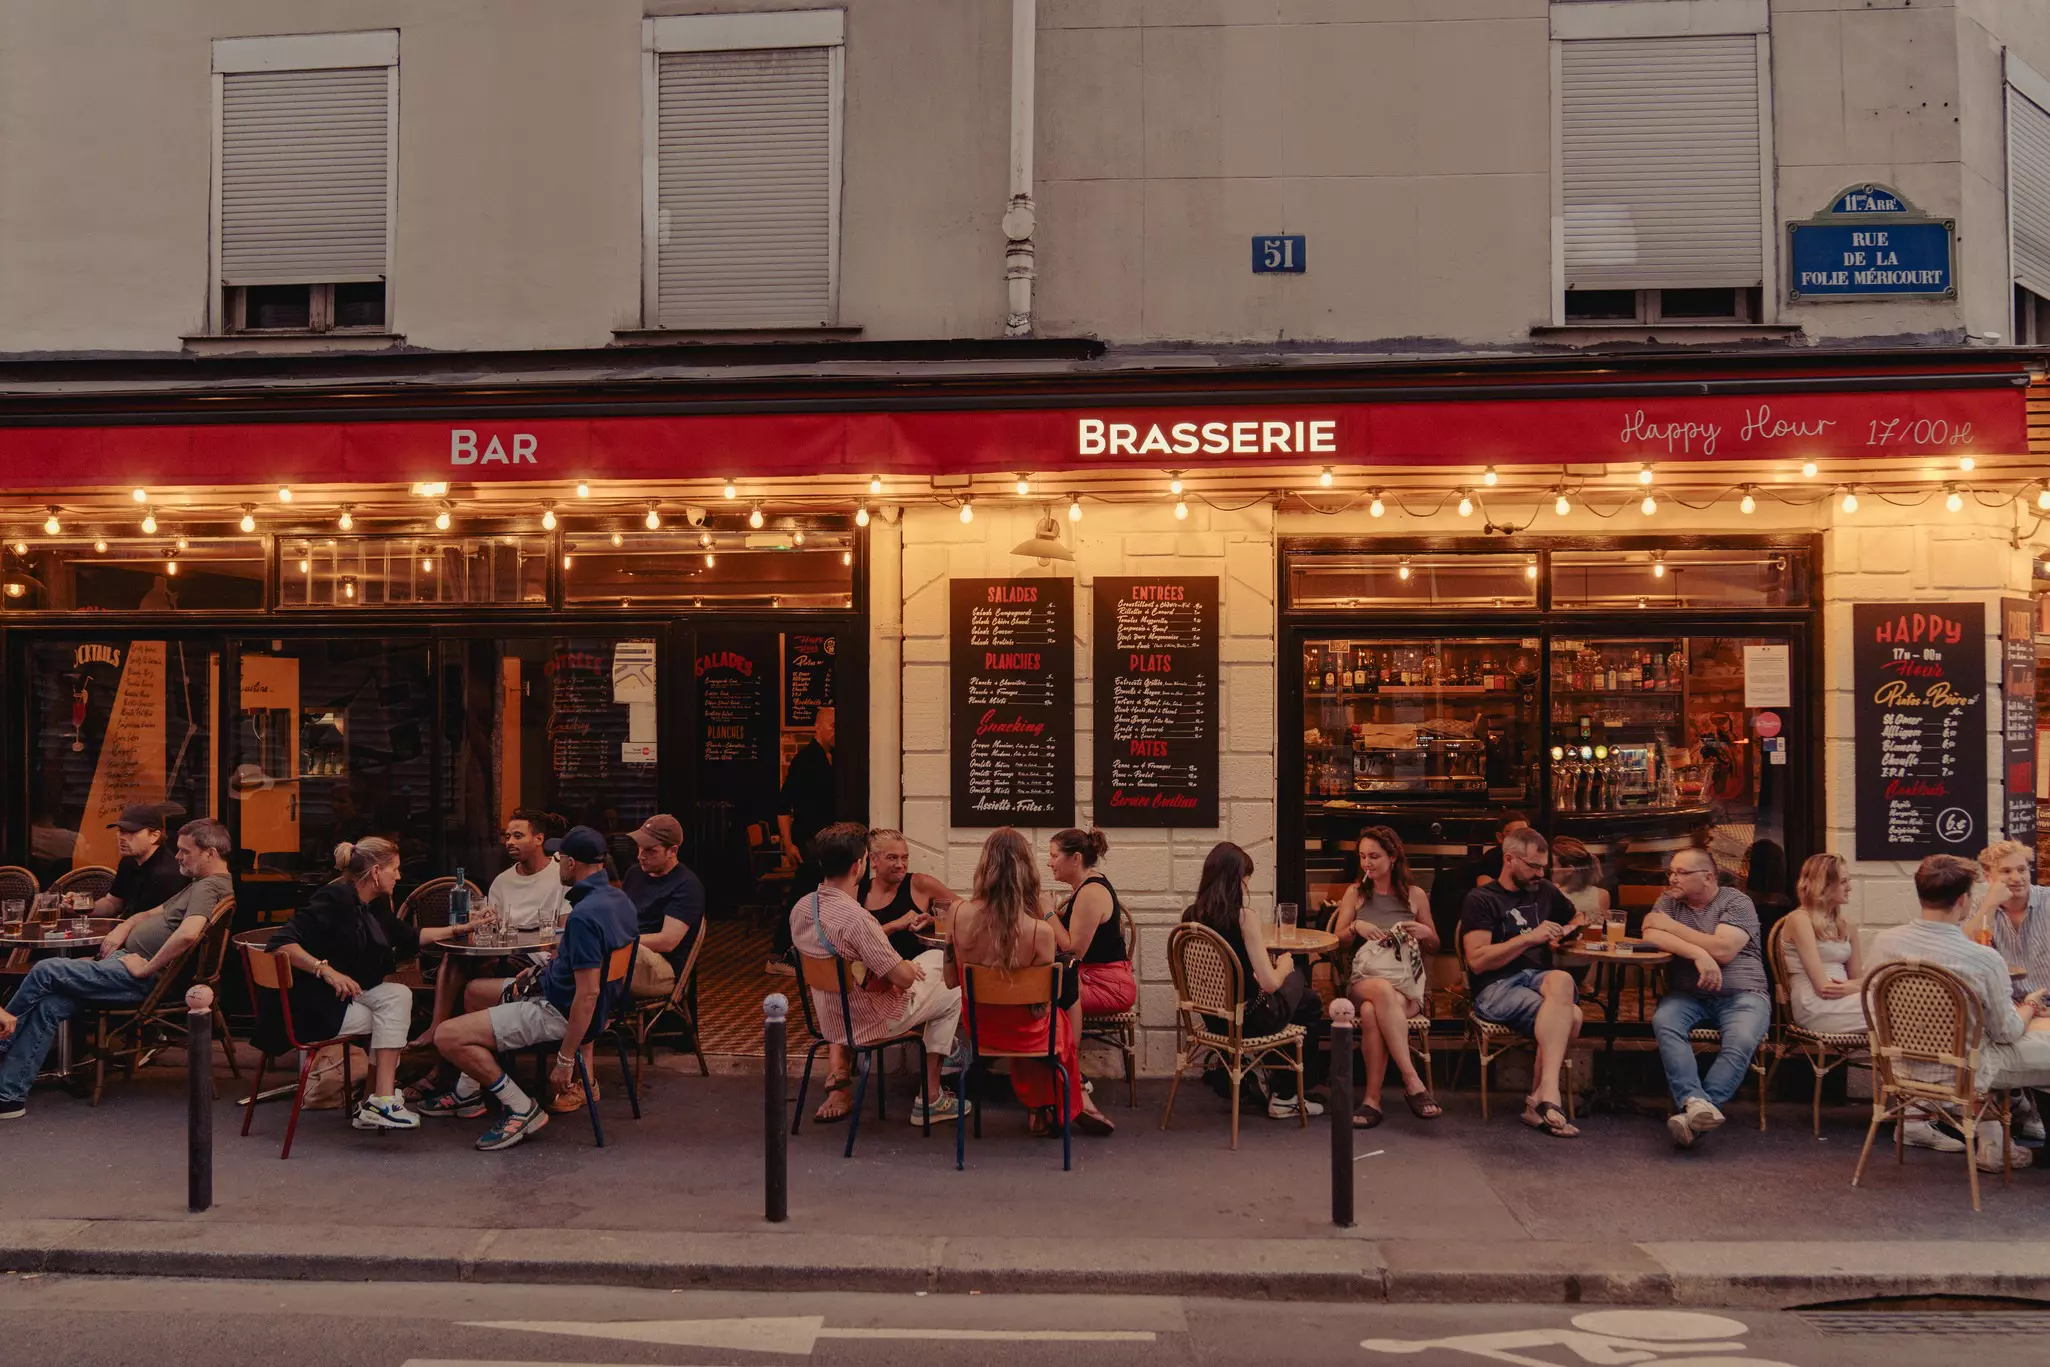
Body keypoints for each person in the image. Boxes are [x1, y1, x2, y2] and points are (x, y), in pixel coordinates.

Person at [422, 825, 641, 1151]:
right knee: (474, 991)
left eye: (560, 856)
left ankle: (521, 1108)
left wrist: (565, 1060)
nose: (557, 861)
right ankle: (469, 1093)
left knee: (447, 1036)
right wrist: (539, 973)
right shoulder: (618, 899)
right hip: (569, 996)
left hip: (557, 1010)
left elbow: (588, 994)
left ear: (572, 863)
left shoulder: (584, 915)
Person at [0, 818, 233, 1119]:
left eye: (185, 851)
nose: (177, 856)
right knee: (51, 1004)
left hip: (140, 978)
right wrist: (126, 929)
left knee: (46, 970)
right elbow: (147, 914)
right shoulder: (202, 884)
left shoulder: (209, 887)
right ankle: (10, 1096)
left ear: (209, 853)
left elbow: (189, 933)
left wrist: (147, 967)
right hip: (122, 965)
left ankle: (2, 1040)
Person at [259, 838, 472, 1132]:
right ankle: (378, 1101)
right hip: (309, 1008)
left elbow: (408, 936)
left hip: (342, 1000)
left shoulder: (376, 903)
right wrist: (326, 970)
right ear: (375, 872)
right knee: (391, 1016)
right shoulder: (333, 898)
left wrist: (458, 929)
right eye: (394, 869)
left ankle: (376, 1102)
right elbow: (279, 944)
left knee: (397, 996)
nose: (399, 876)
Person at [1871, 854, 2050, 1171]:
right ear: (1964, 900)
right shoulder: (1981, 958)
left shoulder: (1885, 943)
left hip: (1902, 1066)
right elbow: (2007, 1031)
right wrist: (2031, 1006)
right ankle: (2010, 1143)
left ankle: (1995, 1144)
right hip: (1968, 1070)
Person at [792, 820, 967, 1126]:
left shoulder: (802, 909)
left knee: (932, 963)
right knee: (953, 988)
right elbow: (904, 978)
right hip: (870, 1021)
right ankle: (931, 1096)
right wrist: (908, 968)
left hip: (831, 1018)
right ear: (860, 865)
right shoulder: (857, 919)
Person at [949, 828, 1106, 1137]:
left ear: (983, 866)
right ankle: (1069, 1102)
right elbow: (1039, 1007)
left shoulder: (956, 914)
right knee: (1054, 1024)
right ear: (1027, 873)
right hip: (1030, 1033)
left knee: (1037, 1024)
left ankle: (1043, 1108)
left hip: (981, 1029)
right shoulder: (1040, 933)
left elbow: (951, 980)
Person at [1181, 841, 1326, 1120]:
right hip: (1248, 1021)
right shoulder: (1244, 917)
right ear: (1237, 880)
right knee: (1304, 991)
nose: (1247, 884)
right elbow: (1271, 984)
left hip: (1213, 1019)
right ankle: (1287, 1094)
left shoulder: (1192, 916)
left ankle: (1274, 1080)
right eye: (1246, 878)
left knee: (1302, 1000)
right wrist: (1284, 966)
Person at [1640, 848, 1770, 1150]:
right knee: (1665, 1020)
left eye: (1681, 873)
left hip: (1743, 994)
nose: (1672, 878)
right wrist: (1698, 953)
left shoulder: (1736, 901)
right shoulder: (1670, 899)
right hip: (1689, 995)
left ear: (1708, 877)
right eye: (1670, 872)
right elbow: (1650, 931)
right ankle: (1695, 1102)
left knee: (1741, 1038)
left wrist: (1671, 927)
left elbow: (1724, 949)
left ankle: (1693, 1114)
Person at [1460, 826, 1582, 1138]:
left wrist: (1564, 935)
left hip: (1537, 979)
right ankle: (1539, 1102)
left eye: (1544, 866)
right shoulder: (1482, 899)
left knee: (1563, 981)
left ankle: (1545, 1096)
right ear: (1510, 859)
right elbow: (1477, 961)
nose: (1540, 873)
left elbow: (1576, 916)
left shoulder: (1545, 891)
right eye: (1533, 866)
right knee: (1572, 1015)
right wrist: (1529, 939)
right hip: (1496, 987)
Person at [1330, 826, 1440, 1126]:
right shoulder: (1356, 893)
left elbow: (1434, 945)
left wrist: (1426, 932)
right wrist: (1356, 928)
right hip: (1366, 980)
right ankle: (1413, 1081)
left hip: (1405, 988)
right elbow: (1336, 940)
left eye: (1375, 856)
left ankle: (1372, 1100)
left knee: (1369, 1012)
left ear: (1393, 857)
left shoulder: (1415, 896)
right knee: (1378, 991)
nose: (1367, 863)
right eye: (1363, 856)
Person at [1046, 827, 1131, 1134]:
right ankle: (1061, 1087)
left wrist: (1047, 915)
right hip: (1087, 977)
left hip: (1107, 984)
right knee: (1048, 993)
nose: (1049, 863)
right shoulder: (1081, 890)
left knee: (1046, 999)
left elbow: (1072, 950)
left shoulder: (1092, 892)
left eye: (1054, 856)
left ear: (1076, 858)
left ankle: (1068, 1082)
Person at [770, 705, 837, 977]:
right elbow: (783, 806)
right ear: (817, 727)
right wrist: (788, 843)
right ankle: (778, 954)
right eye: (832, 726)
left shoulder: (834, 759)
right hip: (809, 842)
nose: (837, 732)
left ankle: (807, 953)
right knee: (802, 899)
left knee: (815, 900)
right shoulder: (805, 760)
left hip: (826, 844)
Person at [1780, 853, 1866, 1038]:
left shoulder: (1847, 926)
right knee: (1895, 1010)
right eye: (1843, 882)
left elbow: (1859, 978)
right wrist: (1859, 987)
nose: (1850, 887)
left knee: (1902, 1007)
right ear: (1824, 885)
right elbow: (1823, 988)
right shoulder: (1799, 919)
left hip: (1846, 998)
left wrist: (1857, 987)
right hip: (1814, 1004)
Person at [860, 828, 958, 961]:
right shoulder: (859, 891)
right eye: (892, 857)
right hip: (874, 975)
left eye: (904, 858)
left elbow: (967, 913)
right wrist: (894, 925)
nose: (900, 865)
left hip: (918, 975)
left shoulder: (920, 884)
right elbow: (855, 942)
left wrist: (933, 921)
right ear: (873, 860)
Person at [93, 802, 189, 919]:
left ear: (154, 836)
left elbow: (155, 924)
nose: (122, 837)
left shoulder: (167, 873)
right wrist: (82, 906)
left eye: (131, 832)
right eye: (121, 831)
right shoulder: (128, 861)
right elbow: (112, 903)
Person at [487, 809, 571, 931]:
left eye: (518, 836)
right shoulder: (501, 882)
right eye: (507, 837)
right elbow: (493, 929)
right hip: (510, 948)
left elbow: (565, 929)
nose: (510, 842)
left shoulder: (562, 875)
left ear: (539, 839)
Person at [1550, 837, 1610, 927]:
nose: (1548, 869)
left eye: (1552, 865)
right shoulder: (1602, 895)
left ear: (1568, 870)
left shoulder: (1552, 895)